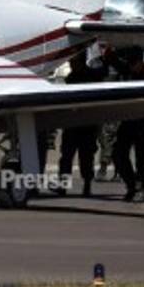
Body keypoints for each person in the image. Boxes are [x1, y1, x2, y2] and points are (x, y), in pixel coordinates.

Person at [56, 48, 106, 197]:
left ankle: (83, 185)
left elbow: (103, 72)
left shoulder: (81, 77)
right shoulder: (73, 77)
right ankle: (69, 185)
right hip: (77, 124)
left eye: (73, 61)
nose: (71, 64)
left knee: (81, 157)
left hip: (83, 124)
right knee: (70, 157)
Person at [111, 47, 144, 202]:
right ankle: (132, 185)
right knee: (118, 154)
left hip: (142, 123)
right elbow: (112, 60)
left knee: (141, 158)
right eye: (129, 63)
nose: (132, 66)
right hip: (127, 122)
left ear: (140, 61)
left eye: (134, 63)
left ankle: (142, 188)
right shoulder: (127, 72)